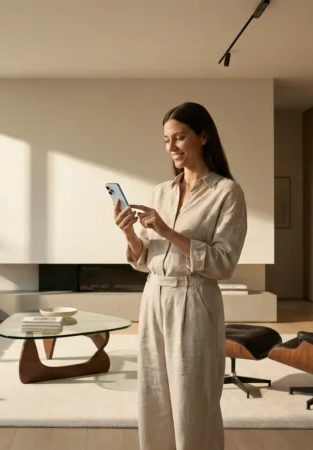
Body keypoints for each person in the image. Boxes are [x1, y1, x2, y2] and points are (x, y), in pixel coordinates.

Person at [113, 102, 248, 450]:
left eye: (179, 137)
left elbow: (223, 263)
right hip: (153, 297)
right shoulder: (162, 192)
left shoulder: (227, 193)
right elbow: (147, 258)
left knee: (193, 399)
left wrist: (167, 229)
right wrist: (129, 234)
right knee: (154, 394)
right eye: (166, 140)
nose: (172, 147)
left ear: (203, 136)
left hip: (195, 297)